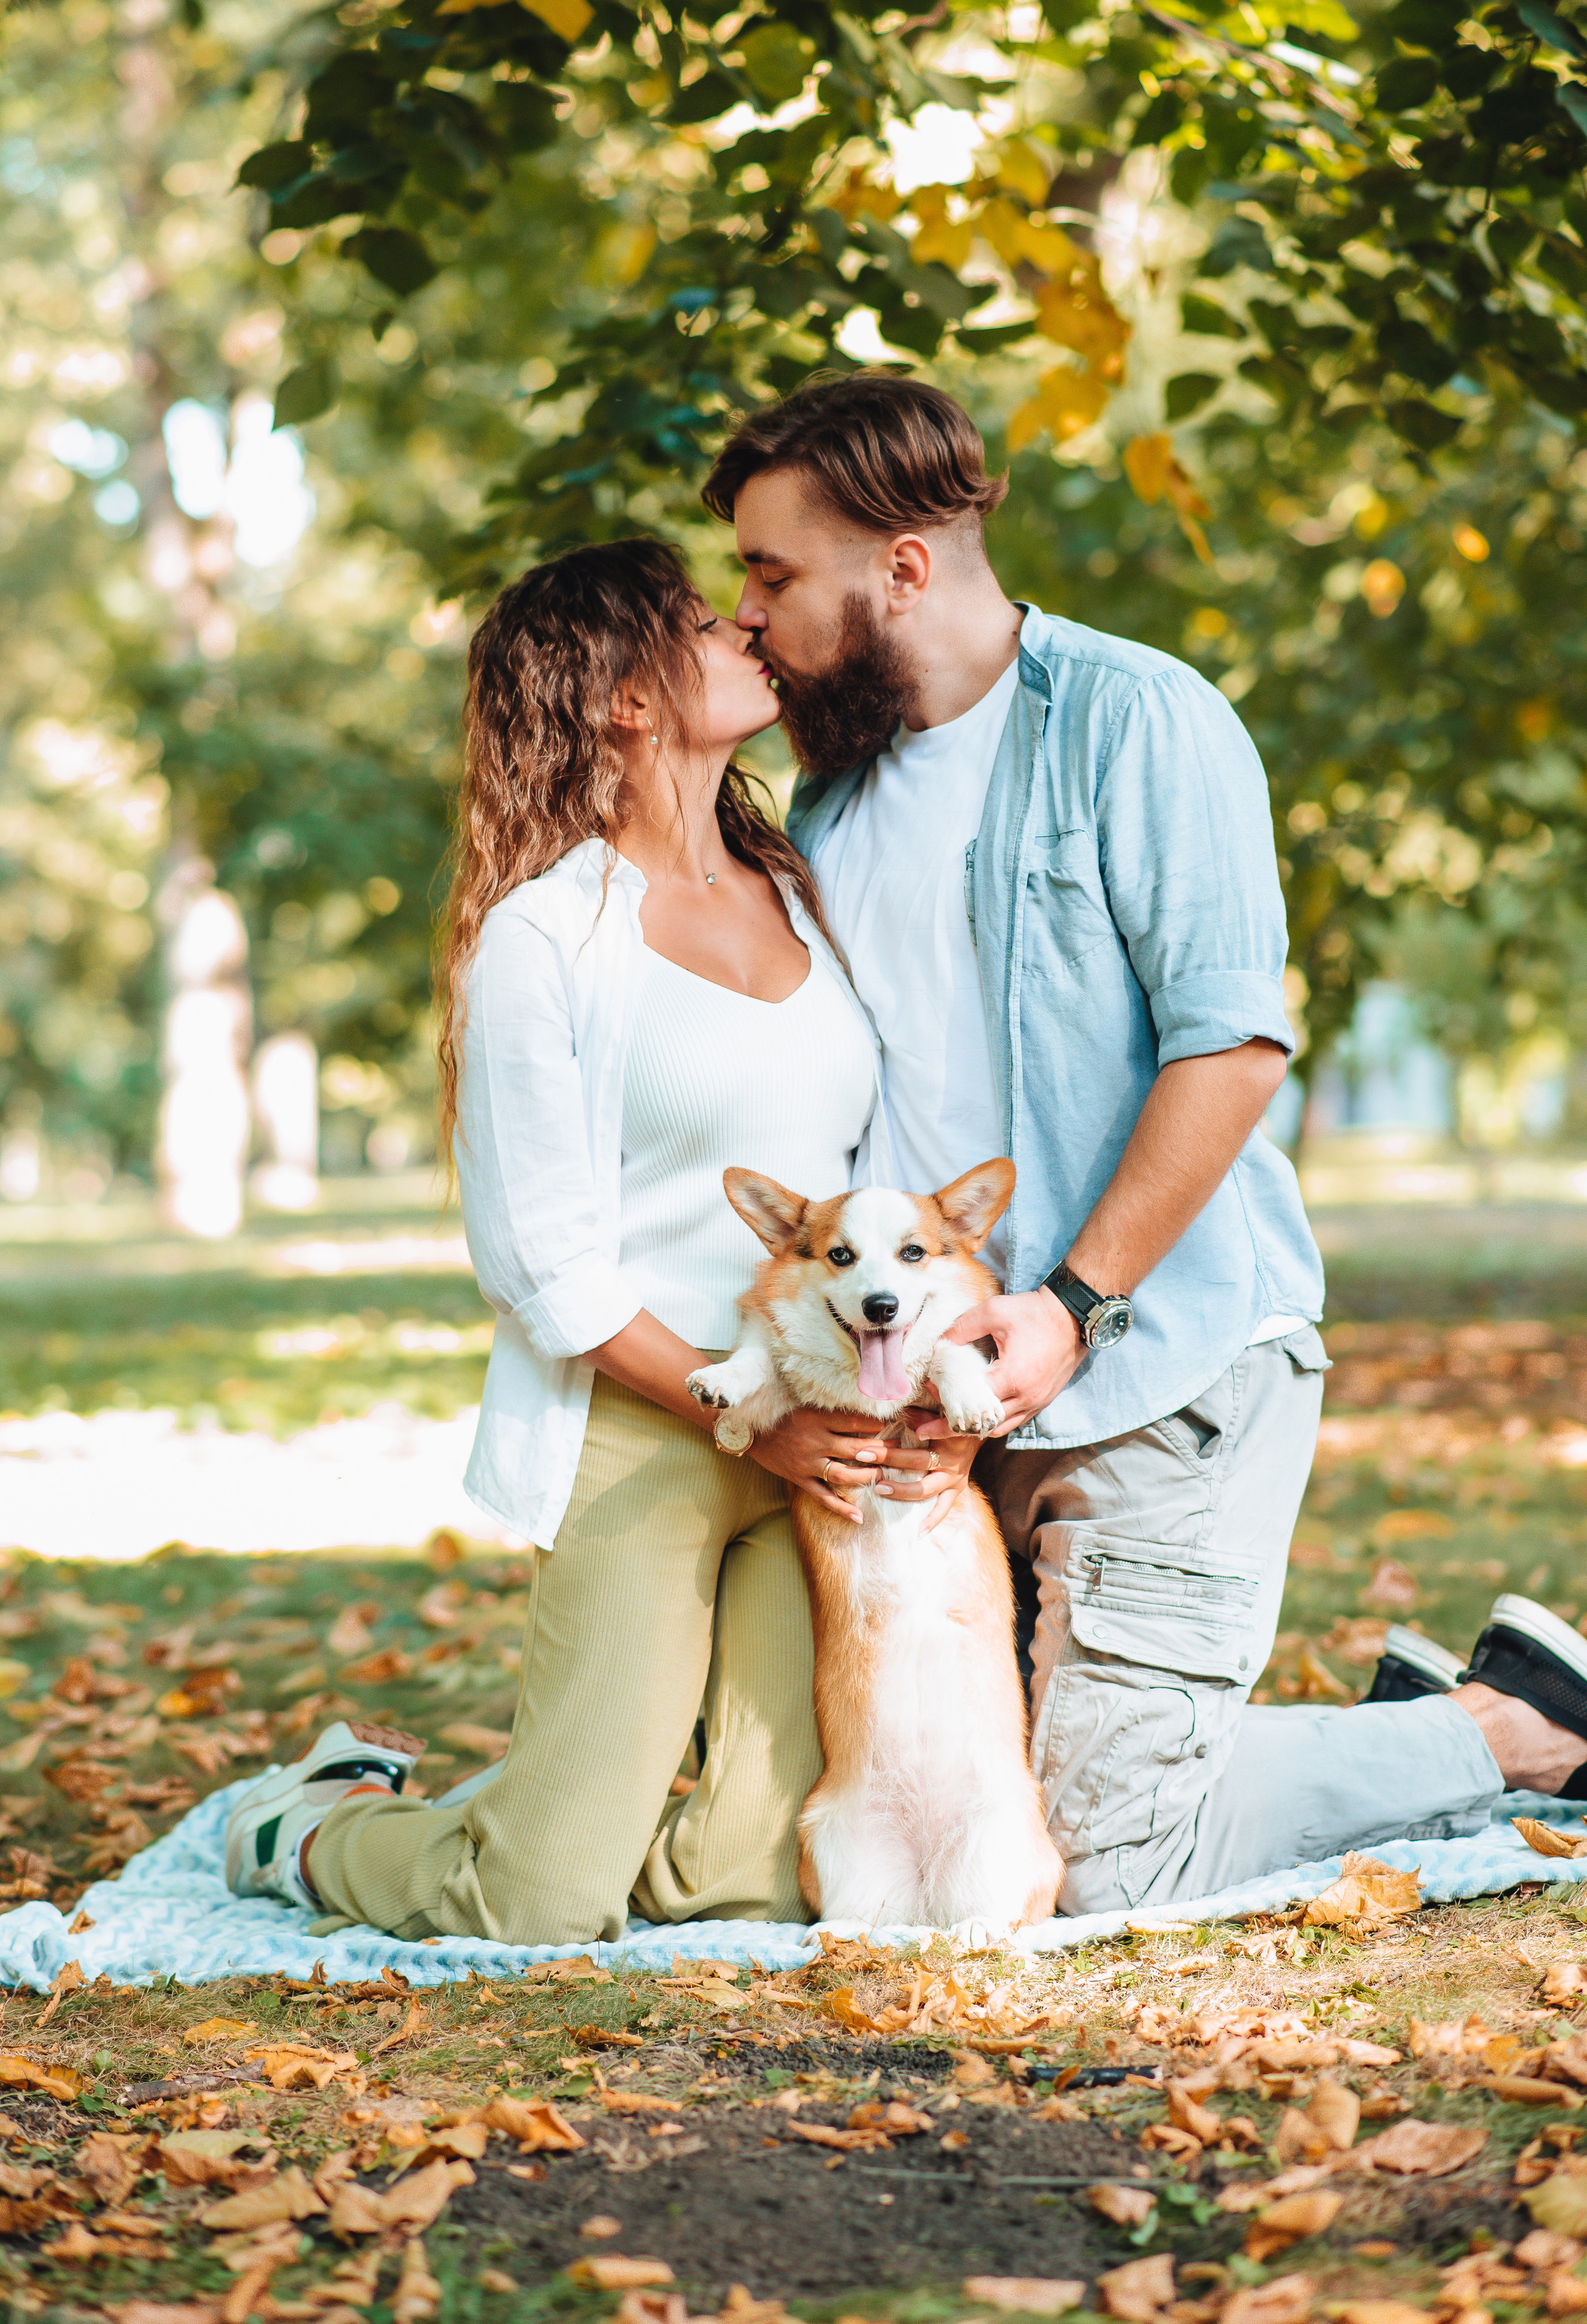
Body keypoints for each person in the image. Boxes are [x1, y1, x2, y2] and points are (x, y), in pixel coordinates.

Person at [699, 371, 1587, 1914]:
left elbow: (1231, 1046)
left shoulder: (1140, 720)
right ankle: (1346, 1721)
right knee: (982, 1814)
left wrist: (1073, 1304)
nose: (748, 615)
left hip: (1161, 1359)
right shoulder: (829, 799)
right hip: (953, 1401)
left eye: (772, 575)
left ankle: (1508, 1726)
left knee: (1108, 1858)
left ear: (901, 567)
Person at [224, 536, 952, 1945]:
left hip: (824, 1412)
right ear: (622, 697)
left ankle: (565, 1808)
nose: (745, 623)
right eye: (698, 620)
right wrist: (746, 1419)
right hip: (649, 1425)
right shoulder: (543, 941)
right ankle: (310, 1823)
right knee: (536, 1901)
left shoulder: (799, 882)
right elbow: (543, 1266)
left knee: (748, 1878)